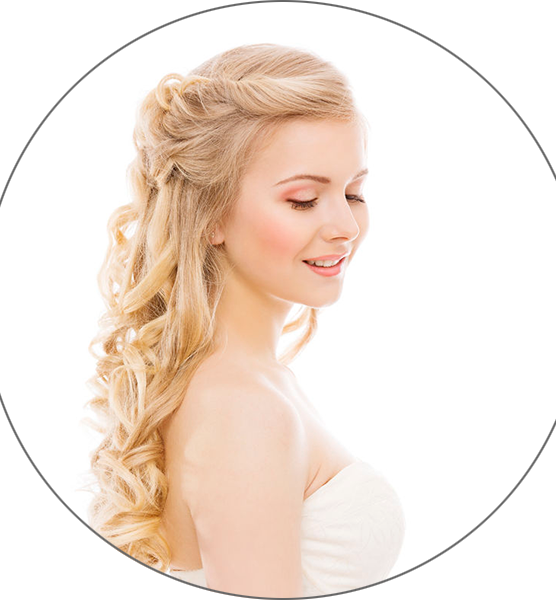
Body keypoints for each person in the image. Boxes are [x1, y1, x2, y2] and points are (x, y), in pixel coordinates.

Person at [87, 43, 404, 598]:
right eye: (303, 200)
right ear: (210, 214)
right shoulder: (245, 411)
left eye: (353, 192)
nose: (346, 226)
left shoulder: (252, 382)